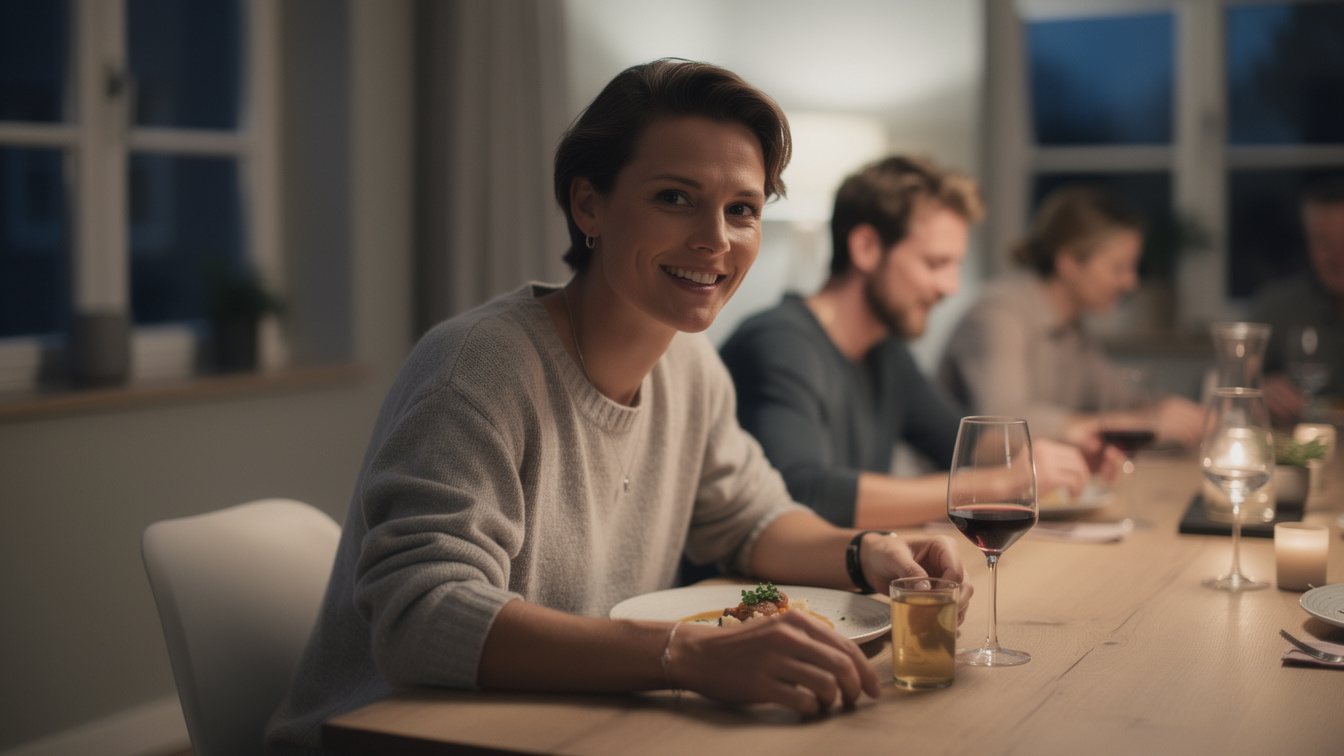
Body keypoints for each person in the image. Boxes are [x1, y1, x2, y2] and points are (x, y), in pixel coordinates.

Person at [265, 60, 969, 755]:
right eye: (675, 197)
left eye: (742, 209)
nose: (716, 239)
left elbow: (752, 520)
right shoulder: (477, 369)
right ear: (588, 205)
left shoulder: (691, 367)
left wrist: (870, 553)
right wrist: (684, 654)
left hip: (560, 725)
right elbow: (420, 619)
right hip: (396, 736)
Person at [719, 156, 1100, 529]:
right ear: (866, 247)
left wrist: (1070, 448)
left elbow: (963, 444)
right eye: (935, 264)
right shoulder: (779, 344)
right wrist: (1002, 483)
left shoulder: (885, 353)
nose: (951, 287)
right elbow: (802, 493)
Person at [938, 184, 1205, 452]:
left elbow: (1120, 398)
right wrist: (1135, 422)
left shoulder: (1072, 330)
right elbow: (1002, 422)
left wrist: (1170, 411)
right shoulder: (998, 314)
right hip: (956, 487)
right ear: (1068, 263)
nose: (1131, 282)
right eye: (1118, 268)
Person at [1252, 174, 1344, 425]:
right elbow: (1216, 383)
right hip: (1302, 454)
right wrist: (1258, 392)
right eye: (1324, 242)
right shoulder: (1279, 307)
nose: (1338, 255)